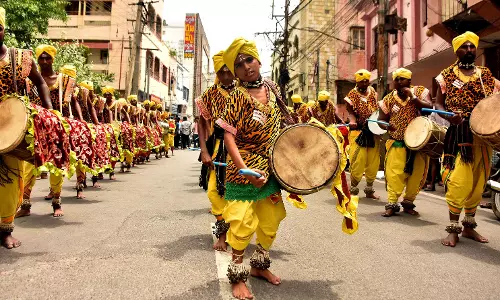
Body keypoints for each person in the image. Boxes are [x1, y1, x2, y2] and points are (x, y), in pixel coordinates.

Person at [216, 37, 288, 300]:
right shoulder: (236, 96)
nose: (246, 66)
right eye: (239, 64)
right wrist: (244, 168)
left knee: (271, 220)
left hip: (270, 166)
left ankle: (259, 267)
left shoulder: (273, 88)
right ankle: (237, 277)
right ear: (234, 72)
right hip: (243, 167)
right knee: (242, 222)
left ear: (258, 59)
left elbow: (283, 123)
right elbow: (228, 137)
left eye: (249, 59)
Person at [435, 32, 500, 247]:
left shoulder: (485, 74)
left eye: (473, 47)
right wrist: (447, 115)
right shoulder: (446, 75)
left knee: (478, 181)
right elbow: (439, 104)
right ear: (457, 50)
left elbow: (494, 101)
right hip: (459, 133)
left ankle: (469, 227)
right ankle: (453, 228)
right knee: (459, 180)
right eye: (465, 47)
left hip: (482, 134)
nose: (470, 50)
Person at [0, 7, 52, 248]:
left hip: (11, 129)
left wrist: (49, 111)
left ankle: (5, 231)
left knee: (9, 181)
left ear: (4, 30)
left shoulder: (20, 58)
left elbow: (40, 83)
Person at [378, 68, 432, 217]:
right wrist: (386, 126)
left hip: (419, 143)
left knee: (416, 175)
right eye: (397, 79)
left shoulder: (421, 92)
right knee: (394, 174)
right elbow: (381, 120)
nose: (400, 82)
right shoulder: (388, 99)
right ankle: (391, 204)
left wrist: (413, 98)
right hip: (397, 142)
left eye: (403, 79)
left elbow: (430, 108)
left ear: (410, 80)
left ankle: (408, 203)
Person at [197, 50, 236, 251]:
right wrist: (204, 151)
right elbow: (202, 124)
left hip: (242, 148)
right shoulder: (209, 95)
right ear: (216, 73)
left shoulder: (245, 90)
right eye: (222, 72)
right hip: (218, 149)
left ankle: (237, 232)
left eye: (229, 71)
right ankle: (222, 233)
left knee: (238, 194)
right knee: (214, 192)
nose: (227, 76)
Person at [345, 69, 380, 199]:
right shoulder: (351, 94)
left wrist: (378, 125)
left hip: (371, 131)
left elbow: (376, 110)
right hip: (358, 131)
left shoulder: (373, 93)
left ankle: (369, 189)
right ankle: (353, 188)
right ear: (357, 82)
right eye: (362, 82)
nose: (365, 84)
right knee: (358, 160)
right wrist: (353, 121)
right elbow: (350, 112)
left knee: (373, 162)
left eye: (367, 81)